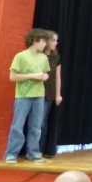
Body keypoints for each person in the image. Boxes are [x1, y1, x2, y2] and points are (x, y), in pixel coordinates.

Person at [5, 29, 51, 164]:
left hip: (39, 95)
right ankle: (11, 154)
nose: (45, 45)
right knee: (17, 125)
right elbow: (12, 77)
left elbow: (47, 74)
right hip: (23, 95)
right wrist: (31, 76)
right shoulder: (20, 56)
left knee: (36, 126)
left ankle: (34, 153)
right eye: (43, 42)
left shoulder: (43, 58)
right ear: (35, 40)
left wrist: (44, 76)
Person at [40, 30, 62, 158]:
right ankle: (31, 150)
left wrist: (58, 94)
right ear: (46, 41)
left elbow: (58, 77)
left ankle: (40, 150)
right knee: (34, 122)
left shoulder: (56, 57)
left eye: (56, 40)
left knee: (42, 122)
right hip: (35, 91)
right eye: (53, 40)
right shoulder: (38, 55)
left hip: (48, 92)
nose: (56, 43)